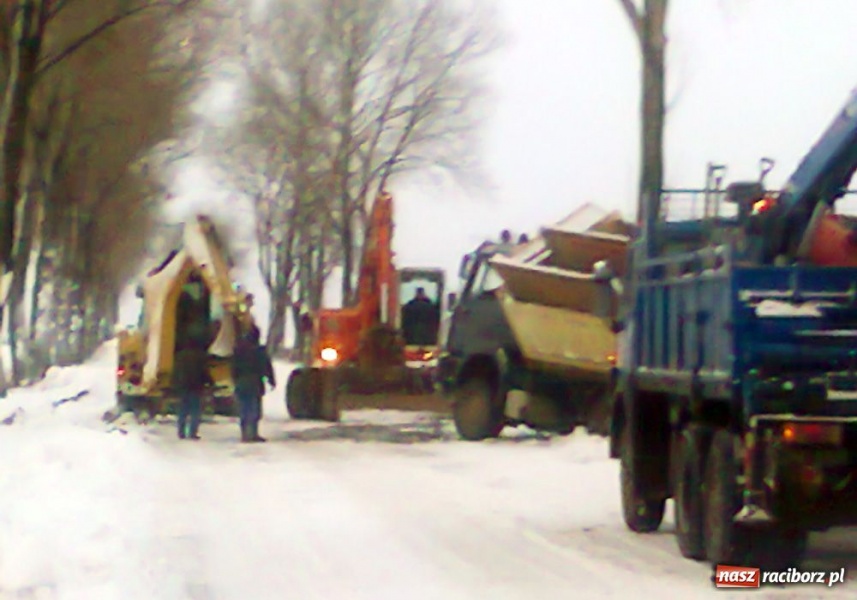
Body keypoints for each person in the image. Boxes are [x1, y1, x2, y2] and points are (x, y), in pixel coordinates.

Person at [232, 324, 276, 443]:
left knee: (244, 408)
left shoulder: (239, 349)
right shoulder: (260, 351)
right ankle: (253, 434)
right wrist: (271, 381)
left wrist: (235, 379)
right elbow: (267, 367)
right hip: (255, 383)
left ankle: (245, 434)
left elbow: (234, 367)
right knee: (254, 409)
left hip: (241, 382)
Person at [172, 336, 211, 440]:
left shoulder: (180, 356)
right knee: (195, 411)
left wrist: (174, 384)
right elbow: (204, 372)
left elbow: (176, 372)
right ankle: (192, 433)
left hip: (183, 386)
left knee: (183, 410)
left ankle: (181, 432)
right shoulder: (199, 356)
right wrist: (210, 382)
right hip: (196, 387)